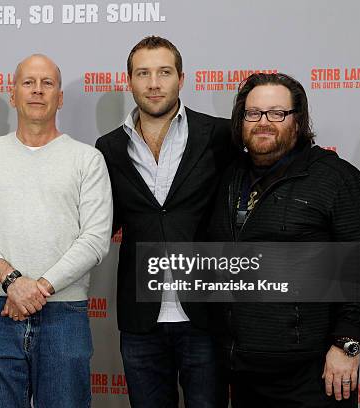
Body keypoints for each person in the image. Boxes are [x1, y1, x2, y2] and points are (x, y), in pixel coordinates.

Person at [207, 72, 360, 407]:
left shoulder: (336, 179)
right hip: (243, 374)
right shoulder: (229, 178)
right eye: (253, 113)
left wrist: (347, 346)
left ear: (298, 120)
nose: (263, 123)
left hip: (314, 377)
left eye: (277, 113)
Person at [0, 54, 112, 407]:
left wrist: (37, 289)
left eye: (47, 83)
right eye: (28, 83)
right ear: (13, 95)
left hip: (64, 315)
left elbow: (95, 239)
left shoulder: (87, 159)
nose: (37, 91)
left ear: (60, 96)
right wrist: (13, 282)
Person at [95, 36, 235, 408]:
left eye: (163, 72)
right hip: (141, 317)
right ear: (129, 81)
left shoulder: (220, 136)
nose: (153, 83)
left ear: (181, 79)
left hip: (205, 314)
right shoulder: (108, 147)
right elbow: (101, 224)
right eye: (143, 73)